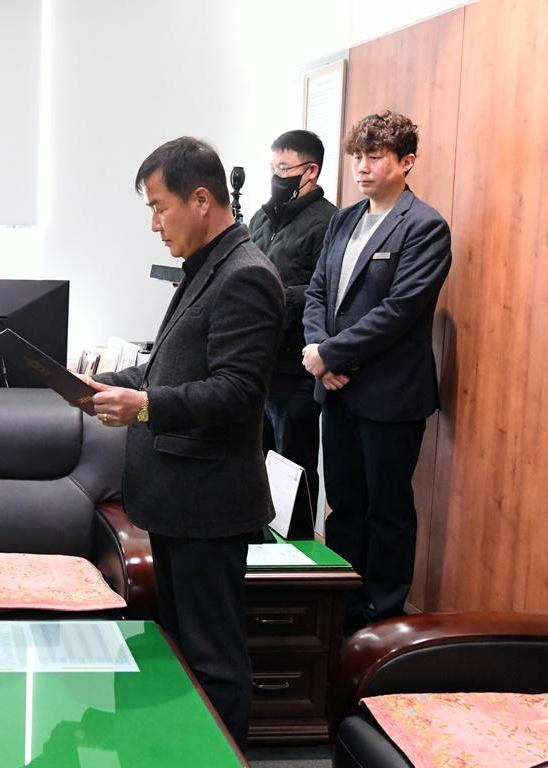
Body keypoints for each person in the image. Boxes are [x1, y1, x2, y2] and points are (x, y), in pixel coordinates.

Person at [86, 137, 284, 747]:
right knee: (179, 653)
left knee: (215, 662)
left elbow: (234, 393)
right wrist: (102, 384)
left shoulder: (246, 275)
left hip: (208, 506)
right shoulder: (206, 267)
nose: (153, 225)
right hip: (176, 502)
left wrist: (142, 406)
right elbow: (172, 369)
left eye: (159, 207)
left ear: (202, 199)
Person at [302, 110, 451, 633]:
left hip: (389, 396)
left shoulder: (425, 227)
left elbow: (399, 312)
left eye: (375, 157)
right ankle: (339, 608)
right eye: (358, 156)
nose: (362, 167)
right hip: (336, 389)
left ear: (406, 162)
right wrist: (316, 347)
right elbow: (318, 289)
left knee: (386, 511)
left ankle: (382, 618)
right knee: (342, 505)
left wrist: (332, 356)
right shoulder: (344, 219)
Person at [248, 130, 337, 509]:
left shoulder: (332, 222)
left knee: (293, 469)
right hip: (258, 365)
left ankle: (296, 558)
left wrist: (272, 296)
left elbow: (326, 292)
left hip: (297, 370)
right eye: (272, 167)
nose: (276, 176)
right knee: (257, 465)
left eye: (284, 168)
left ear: (310, 171)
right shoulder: (261, 218)